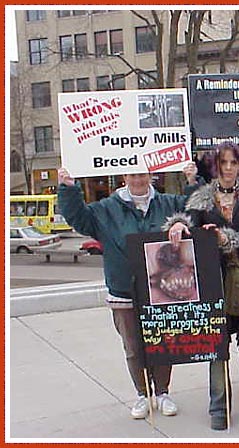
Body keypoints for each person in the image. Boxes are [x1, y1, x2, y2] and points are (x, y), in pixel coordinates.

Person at [57, 162, 200, 420]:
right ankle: (143, 395)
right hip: (124, 290)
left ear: (150, 176)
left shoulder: (168, 203)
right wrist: (69, 188)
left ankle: (163, 392)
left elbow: (195, 210)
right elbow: (78, 218)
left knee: (162, 343)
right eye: (133, 174)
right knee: (134, 347)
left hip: (161, 290)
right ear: (124, 176)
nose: (138, 180)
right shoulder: (106, 209)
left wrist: (192, 182)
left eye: (143, 174)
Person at [165, 142, 239, 431]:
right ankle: (218, 408)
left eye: (233, 163)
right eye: (223, 163)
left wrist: (226, 239)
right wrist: (178, 226)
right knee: (216, 346)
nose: (228, 168)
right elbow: (187, 223)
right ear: (216, 166)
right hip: (213, 279)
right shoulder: (202, 197)